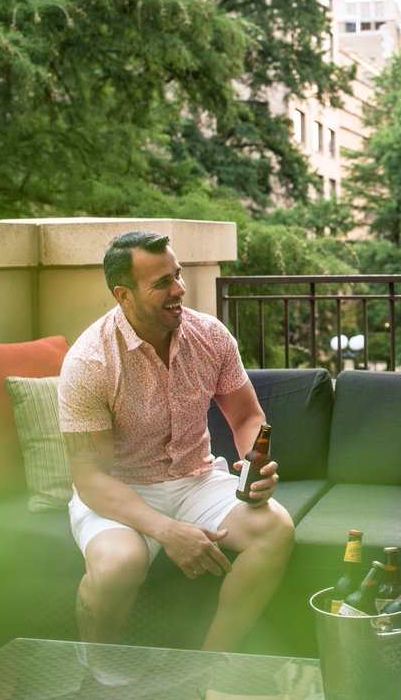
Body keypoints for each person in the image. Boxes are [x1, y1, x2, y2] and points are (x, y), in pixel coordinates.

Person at [58, 231, 294, 651]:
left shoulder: (211, 336)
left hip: (197, 478)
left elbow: (245, 415)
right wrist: (168, 531)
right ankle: (95, 676)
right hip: (120, 490)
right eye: (162, 283)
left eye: (178, 274)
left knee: (275, 527)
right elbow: (91, 479)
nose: (179, 289)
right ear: (123, 295)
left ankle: (210, 665)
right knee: (118, 566)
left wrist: (253, 467)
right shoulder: (88, 361)